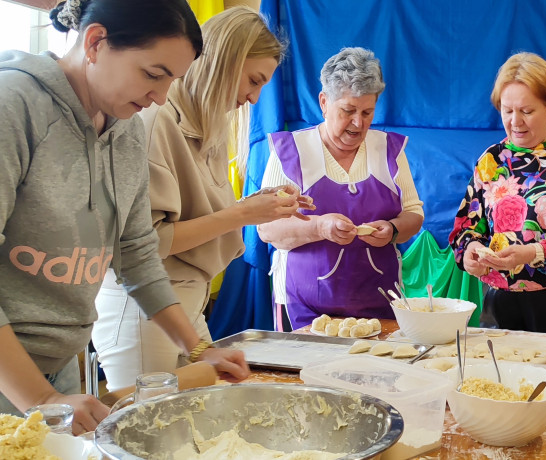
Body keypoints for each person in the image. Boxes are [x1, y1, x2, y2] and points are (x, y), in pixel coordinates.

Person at [0, 0, 249, 434]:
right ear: (96, 42)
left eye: (172, 80)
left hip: (57, 367)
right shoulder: (14, 106)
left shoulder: (128, 131)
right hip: (12, 370)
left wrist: (197, 350)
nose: (161, 96)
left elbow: (136, 254)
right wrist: (41, 400)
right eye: (153, 74)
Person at [91, 7, 307, 392]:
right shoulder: (154, 119)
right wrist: (241, 214)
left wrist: (255, 205)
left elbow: (200, 216)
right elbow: (145, 244)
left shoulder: (210, 124)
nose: (254, 98)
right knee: (149, 436)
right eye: (253, 81)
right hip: (144, 308)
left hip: (184, 301)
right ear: (224, 59)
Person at [257, 47, 424, 329]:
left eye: (367, 112)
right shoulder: (291, 151)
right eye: (348, 111)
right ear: (324, 102)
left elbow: (413, 215)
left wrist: (392, 230)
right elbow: (267, 229)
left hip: (380, 307)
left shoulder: (388, 149)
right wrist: (319, 227)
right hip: (306, 310)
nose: (358, 123)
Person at [449, 52, 546, 336]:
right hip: (497, 303)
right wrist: (470, 251)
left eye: (527, 111)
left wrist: (531, 252)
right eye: (507, 111)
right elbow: (466, 228)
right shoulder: (492, 160)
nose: (515, 121)